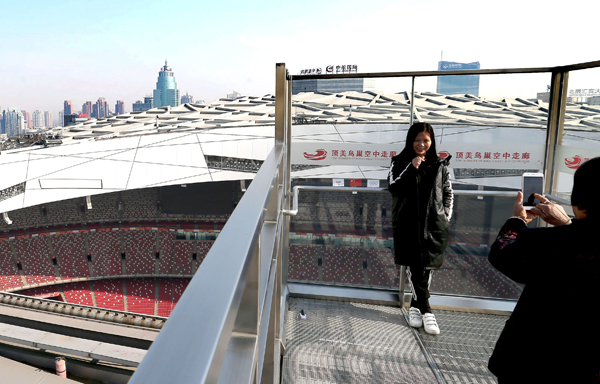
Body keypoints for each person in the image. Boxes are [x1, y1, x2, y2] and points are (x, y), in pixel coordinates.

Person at [488, 157, 600, 383]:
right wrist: (567, 224)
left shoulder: (548, 242)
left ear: (579, 199)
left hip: (531, 362)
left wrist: (517, 220)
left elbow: (502, 253)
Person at [388, 122, 453, 335]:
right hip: (408, 225)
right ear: (410, 141)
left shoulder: (440, 165)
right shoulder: (399, 162)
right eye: (417, 140)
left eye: (425, 140)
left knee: (426, 267)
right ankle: (427, 310)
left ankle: (415, 307)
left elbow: (448, 194)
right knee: (416, 265)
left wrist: (444, 218)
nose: (421, 144)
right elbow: (394, 186)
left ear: (431, 142)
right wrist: (412, 167)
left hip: (433, 226)